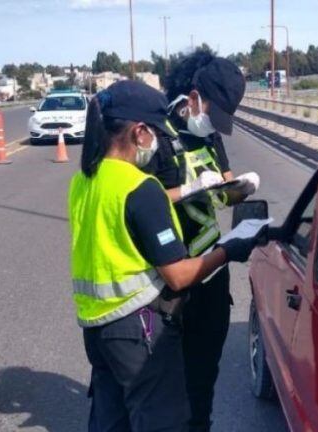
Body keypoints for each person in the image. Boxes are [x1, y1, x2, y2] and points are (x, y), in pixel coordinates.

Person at [68, 80, 259, 432]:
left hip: (96, 325)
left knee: (111, 420)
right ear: (139, 132)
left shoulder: (85, 179)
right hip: (138, 327)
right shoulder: (141, 188)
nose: (158, 139)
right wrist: (229, 249)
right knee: (161, 420)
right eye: (154, 131)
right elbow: (178, 276)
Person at [141, 52, 259, 432]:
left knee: (203, 382)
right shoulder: (155, 136)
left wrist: (240, 188)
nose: (215, 126)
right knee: (169, 385)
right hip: (169, 283)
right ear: (193, 98)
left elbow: (222, 189)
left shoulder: (208, 135)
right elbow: (140, 200)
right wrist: (188, 188)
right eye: (213, 113)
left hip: (210, 275)